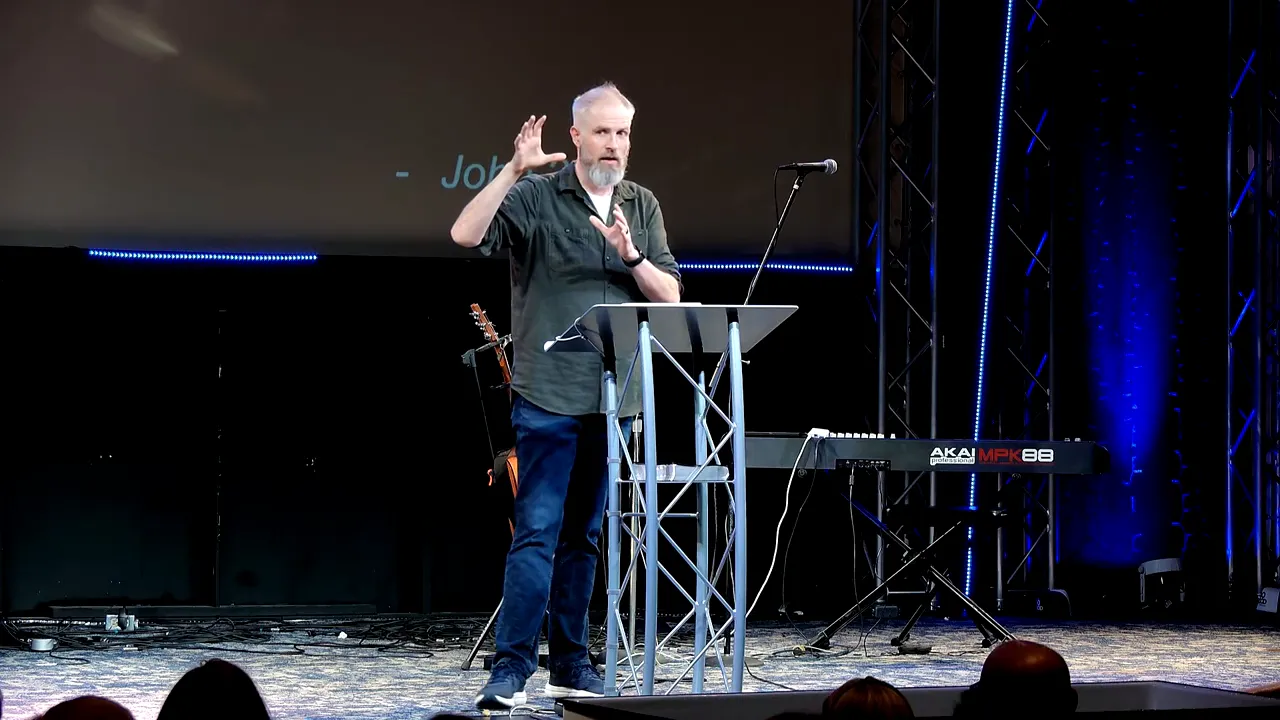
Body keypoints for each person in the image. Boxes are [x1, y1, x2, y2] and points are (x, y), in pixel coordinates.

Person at [450, 82, 681, 710]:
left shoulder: (641, 203)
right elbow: (465, 234)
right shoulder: (536, 196)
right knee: (538, 534)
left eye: (623, 133)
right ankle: (510, 669)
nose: (614, 145)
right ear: (576, 136)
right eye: (603, 132)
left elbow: (669, 298)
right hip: (548, 397)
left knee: (584, 538)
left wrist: (630, 254)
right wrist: (513, 168)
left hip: (615, 402)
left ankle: (570, 665)